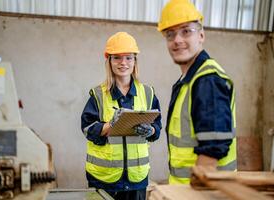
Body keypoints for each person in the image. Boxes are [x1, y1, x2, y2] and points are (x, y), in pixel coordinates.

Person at [157, 0, 237, 184]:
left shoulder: (207, 80)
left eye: (186, 31)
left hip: (204, 193)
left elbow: (213, 147)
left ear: (201, 35)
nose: (177, 40)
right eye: (170, 34)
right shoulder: (189, 80)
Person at [81, 32, 162, 200]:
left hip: (136, 179)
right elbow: (87, 128)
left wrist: (151, 131)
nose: (123, 63)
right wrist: (111, 125)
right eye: (117, 58)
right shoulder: (98, 94)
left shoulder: (147, 93)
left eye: (128, 58)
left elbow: (158, 127)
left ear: (135, 62)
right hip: (104, 179)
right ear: (109, 61)